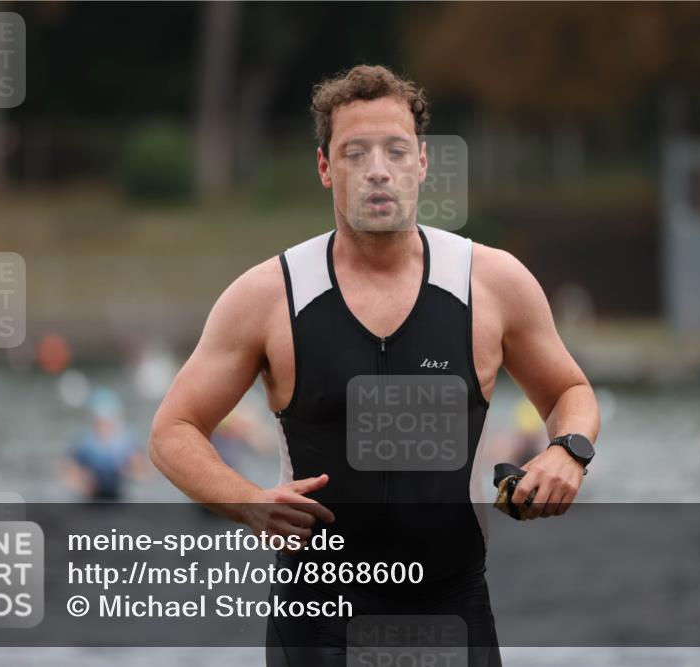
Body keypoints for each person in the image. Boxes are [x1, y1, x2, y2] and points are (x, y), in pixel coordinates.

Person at [150, 64, 600, 666]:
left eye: (395, 150)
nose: (377, 169)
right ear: (325, 168)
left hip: (452, 609)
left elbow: (569, 389)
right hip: (316, 623)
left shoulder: (492, 282)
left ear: (422, 163)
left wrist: (566, 450)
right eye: (355, 153)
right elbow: (172, 431)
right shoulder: (267, 296)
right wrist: (247, 499)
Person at [62, 387, 146, 501]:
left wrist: (128, 472)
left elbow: (142, 473)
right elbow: (67, 472)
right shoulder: (85, 442)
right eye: (99, 422)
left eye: (107, 421)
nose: (104, 427)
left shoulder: (126, 440)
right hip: (93, 496)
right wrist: (83, 484)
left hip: (118, 495)